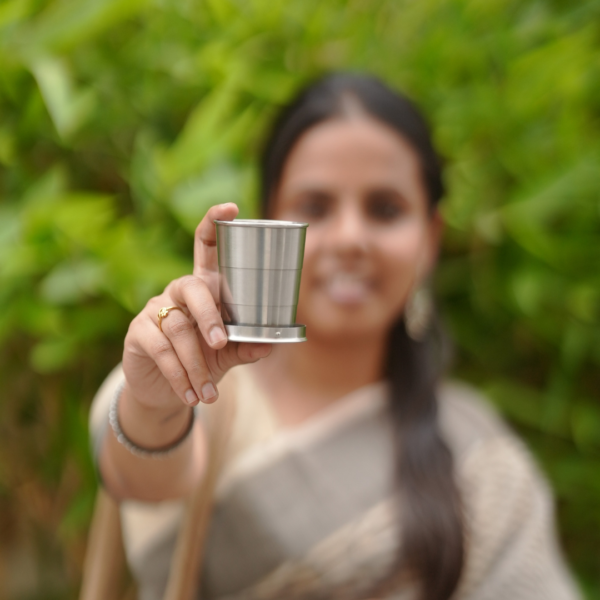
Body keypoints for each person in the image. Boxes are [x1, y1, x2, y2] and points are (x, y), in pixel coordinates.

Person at [90, 73, 580, 600]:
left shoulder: (477, 455)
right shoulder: (194, 387)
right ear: (269, 223)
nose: (350, 239)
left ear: (430, 238)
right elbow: (142, 478)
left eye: (385, 209)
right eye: (316, 207)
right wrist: (156, 400)